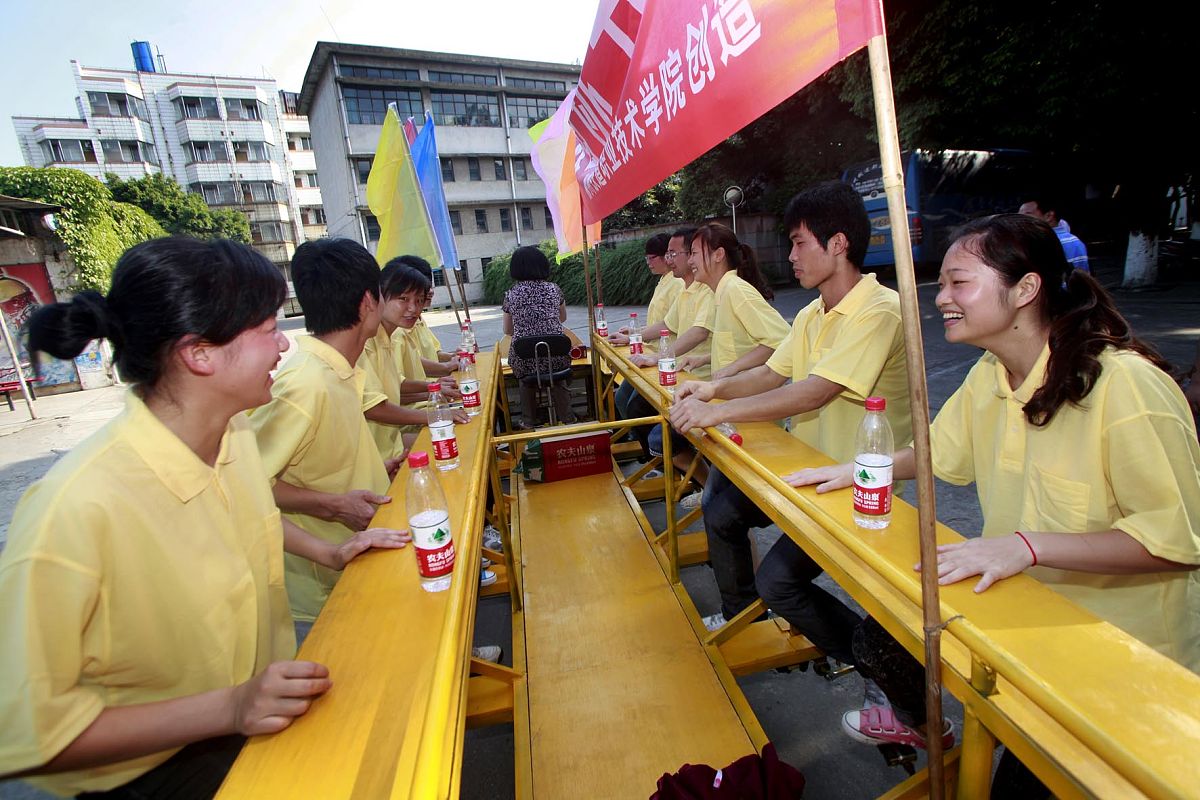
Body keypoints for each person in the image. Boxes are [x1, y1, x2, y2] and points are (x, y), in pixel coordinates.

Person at [788, 213, 1200, 795]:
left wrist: (1026, 547)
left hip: (1123, 672)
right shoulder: (991, 374)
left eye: (960, 283)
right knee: (883, 637)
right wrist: (854, 468)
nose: (941, 299)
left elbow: (1174, 543)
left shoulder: (1126, 388)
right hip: (1025, 637)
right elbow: (936, 452)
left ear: (1026, 289)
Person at [0, 238, 410, 798]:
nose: (284, 347)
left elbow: (251, 520)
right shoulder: (73, 509)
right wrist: (230, 707)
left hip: (252, 717)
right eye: (268, 329)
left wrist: (329, 551)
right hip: (157, 771)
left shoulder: (232, 431)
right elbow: (27, 731)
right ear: (200, 353)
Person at [672, 183, 910, 639]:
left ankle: (879, 670)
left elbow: (815, 392)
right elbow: (770, 374)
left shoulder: (880, 312)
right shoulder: (811, 314)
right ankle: (747, 614)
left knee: (783, 583)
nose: (791, 255)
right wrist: (712, 390)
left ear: (837, 244)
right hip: (807, 471)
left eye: (799, 242)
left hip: (856, 488)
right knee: (722, 515)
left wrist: (718, 412)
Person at [249, 239, 411, 638]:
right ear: (366, 303)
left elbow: (320, 458)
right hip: (324, 593)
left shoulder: (338, 372)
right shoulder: (304, 384)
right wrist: (334, 505)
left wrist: (374, 470)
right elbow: (248, 484)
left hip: (359, 558)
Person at [358, 258, 468, 461]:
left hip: (391, 442)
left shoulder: (385, 336)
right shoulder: (366, 342)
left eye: (419, 301)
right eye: (403, 299)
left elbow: (396, 383)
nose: (413, 308)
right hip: (378, 452)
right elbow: (373, 406)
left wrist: (434, 389)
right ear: (378, 297)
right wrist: (434, 413)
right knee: (458, 443)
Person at [608, 232, 682, 418]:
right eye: (646, 258)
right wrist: (633, 332)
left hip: (664, 357)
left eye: (651, 258)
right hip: (651, 354)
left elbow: (669, 325)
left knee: (635, 407)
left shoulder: (678, 283)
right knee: (622, 399)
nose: (648, 262)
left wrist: (633, 335)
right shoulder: (664, 280)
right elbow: (661, 322)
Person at [502, 245, 576, 428]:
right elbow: (563, 318)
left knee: (525, 377)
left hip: (525, 361)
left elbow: (508, 330)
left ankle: (528, 421)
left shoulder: (511, 294)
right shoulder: (554, 289)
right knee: (557, 376)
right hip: (557, 356)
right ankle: (568, 419)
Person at [1018, 196, 1089, 272]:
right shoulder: (1075, 241)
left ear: (1049, 216)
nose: (1019, 219)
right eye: (1019, 214)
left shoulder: (1039, 242)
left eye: (1027, 214)